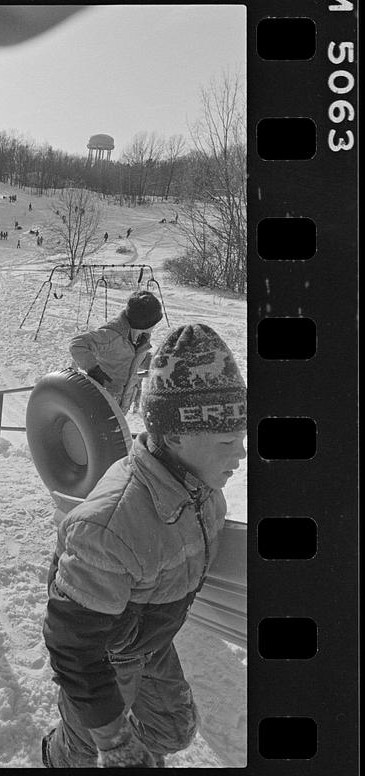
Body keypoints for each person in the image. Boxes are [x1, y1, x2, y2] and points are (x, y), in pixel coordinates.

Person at [42, 324, 247, 768]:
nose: (242, 454)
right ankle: (59, 752)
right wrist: (113, 740)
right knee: (81, 754)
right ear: (175, 435)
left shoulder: (201, 486)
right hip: (105, 654)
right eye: (228, 440)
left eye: (242, 438)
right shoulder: (113, 528)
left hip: (150, 639)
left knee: (172, 731)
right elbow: (73, 646)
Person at [69, 291, 163, 415]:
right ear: (144, 324)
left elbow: (137, 358)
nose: (154, 327)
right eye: (153, 324)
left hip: (118, 406)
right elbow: (77, 345)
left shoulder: (140, 337)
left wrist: (160, 364)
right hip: (98, 403)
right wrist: (94, 369)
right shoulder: (112, 336)